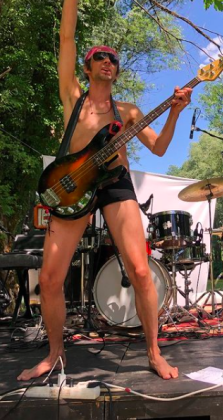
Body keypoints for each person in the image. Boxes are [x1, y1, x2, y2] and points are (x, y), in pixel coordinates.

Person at [18, 0, 192, 381]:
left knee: (141, 272)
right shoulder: (72, 97)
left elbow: (159, 148)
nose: (108, 61)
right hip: (73, 188)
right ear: (87, 66)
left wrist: (175, 112)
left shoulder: (127, 112)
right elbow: (66, 37)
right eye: (100, 56)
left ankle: (153, 352)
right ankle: (54, 355)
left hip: (115, 184)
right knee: (49, 279)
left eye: (113, 58)